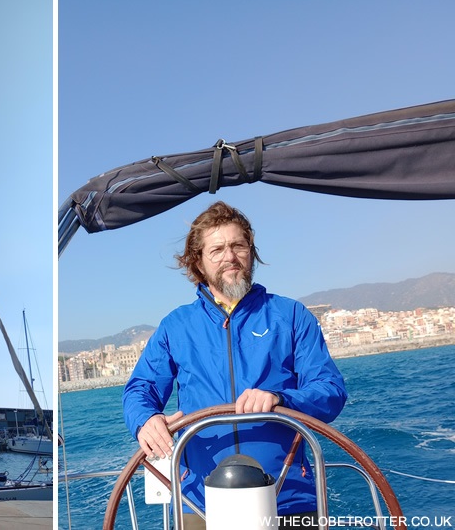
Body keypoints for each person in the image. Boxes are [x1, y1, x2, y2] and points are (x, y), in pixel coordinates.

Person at [122, 201, 347, 530]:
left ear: (251, 252)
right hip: (199, 502)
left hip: (287, 497)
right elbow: (141, 389)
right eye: (217, 249)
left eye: (238, 245)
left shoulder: (291, 316)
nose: (230, 256)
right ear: (198, 261)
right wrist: (145, 420)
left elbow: (330, 390)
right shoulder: (175, 327)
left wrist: (280, 398)